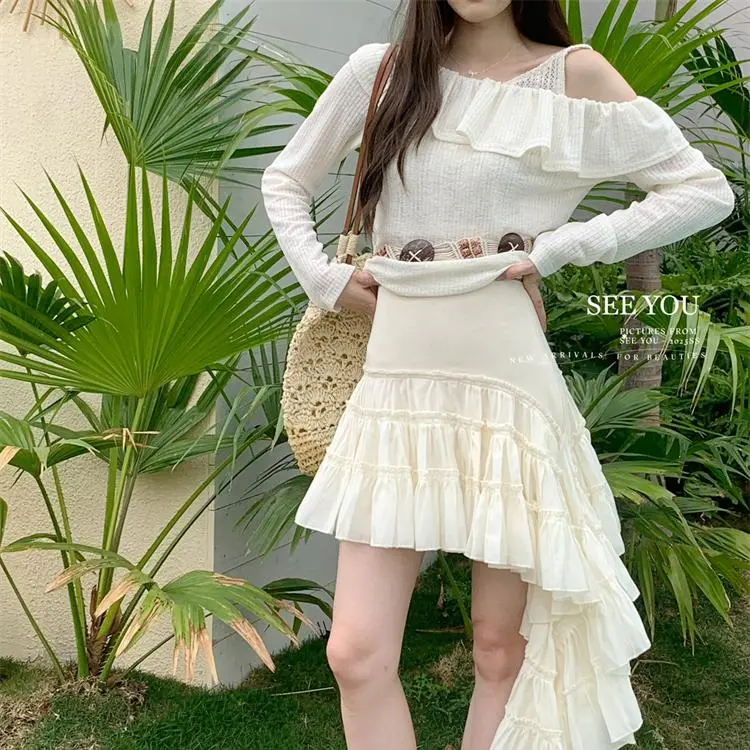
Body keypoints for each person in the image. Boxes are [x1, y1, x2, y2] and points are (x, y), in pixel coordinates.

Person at [260, 1, 736, 748]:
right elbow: (285, 179)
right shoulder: (382, 72)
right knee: (354, 653)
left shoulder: (571, 77)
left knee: (498, 649)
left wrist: (563, 247)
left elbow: (702, 190)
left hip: (508, 382)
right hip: (396, 382)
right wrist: (324, 278)